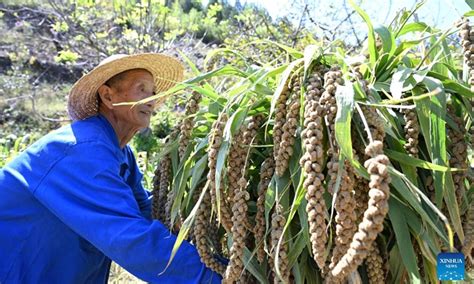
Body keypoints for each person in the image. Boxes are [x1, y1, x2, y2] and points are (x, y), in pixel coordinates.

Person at [0, 53, 222, 283]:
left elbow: (149, 211)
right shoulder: (81, 150)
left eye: (153, 92)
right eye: (141, 89)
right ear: (108, 96)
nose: (151, 100)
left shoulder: (120, 154)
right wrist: (220, 278)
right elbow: (129, 237)